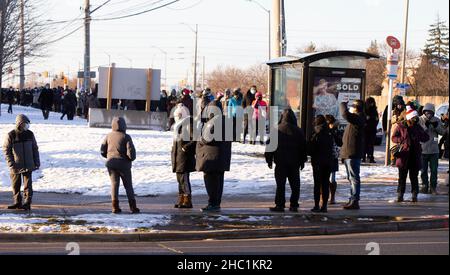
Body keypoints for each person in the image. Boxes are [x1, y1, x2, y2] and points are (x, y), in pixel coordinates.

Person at [265, 109, 307, 212]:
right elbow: (303, 148)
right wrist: (302, 161)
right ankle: (294, 204)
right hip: (294, 163)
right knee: (295, 185)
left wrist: (269, 160)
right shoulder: (298, 131)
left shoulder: (277, 129)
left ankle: (280, 204)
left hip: (280, 162)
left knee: (280, 185)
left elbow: (270, 148)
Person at [196, 99, 232, 212]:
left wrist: (199, 139)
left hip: (211, 158)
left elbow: (207, 138)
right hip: (221, 158)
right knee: (218, 183)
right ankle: (216, 203)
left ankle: (213, 204)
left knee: (211, 183)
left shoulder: (214, 121)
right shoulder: (225, 120)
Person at [101, 117, 140, 214]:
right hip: (124, 165)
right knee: (128, 186)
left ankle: (115, 207)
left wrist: (109, 156)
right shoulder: (126, 137)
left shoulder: (108, 136)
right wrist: (130, 159)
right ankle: (133, 207)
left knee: (114, 185)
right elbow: (131, 154)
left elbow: (102, 150)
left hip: (111, 163)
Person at [392, 105, 429, 202]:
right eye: (414, 117)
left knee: (414, 177)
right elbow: (394, 137)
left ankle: (414, 195)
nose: (415, 119)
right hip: (404, 155)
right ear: (409, 118)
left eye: (416, 117)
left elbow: (426, 137)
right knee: (402, 177)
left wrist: (422, 134)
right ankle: (400, 195)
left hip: (415, 155)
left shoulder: (418, 127)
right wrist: (401, 140)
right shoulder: (401, 126)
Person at [2, 114, 40, 211]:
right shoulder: (11, 135)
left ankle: (27, 203)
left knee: (28, 185)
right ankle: (17, 202)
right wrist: (11, 163)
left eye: (27, 124)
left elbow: (35, 148)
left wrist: (36, 161)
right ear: (20, 124)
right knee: (16, 184)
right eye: (25, 124)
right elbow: (6, 150)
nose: (27, 126)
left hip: (28, 164)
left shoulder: (30, 134)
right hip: (16, 165)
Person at [340, 100, 366, 210]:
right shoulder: (356, 119)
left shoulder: (359, 118)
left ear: (357, 108)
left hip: (352, 154)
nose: (351, 108)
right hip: (348, 153)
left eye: (353, 106)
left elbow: (345, 114)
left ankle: (355, 200)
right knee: (351, 178)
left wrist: (343, 104)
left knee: (354, 178)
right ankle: (352, 199)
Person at [308, 115, 334, 213]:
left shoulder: (315, 134)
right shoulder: (329, 133)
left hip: (318, 163)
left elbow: (310, 150)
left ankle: (316, 205)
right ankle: (324, 206)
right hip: (328, 162)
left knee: (317, 184)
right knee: (325, 183)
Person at [418, 103, 446, 195]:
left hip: (434, 150)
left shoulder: (437, 120)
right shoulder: (420, 119)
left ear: (433, 112)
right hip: (422, 149)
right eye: (426, 112)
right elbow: (417, 131)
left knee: (434, 170)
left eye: (430, 112)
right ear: (424, 112)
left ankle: (433, 187)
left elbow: (443, 132)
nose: (428, 114)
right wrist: (425, 126)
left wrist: (436, 126)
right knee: (423, 170)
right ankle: (424, 186)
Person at [172, 106, 196, 209]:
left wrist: (185, 147)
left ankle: (187, 200)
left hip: (184, 157)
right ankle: (181, 199)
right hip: (178, 157)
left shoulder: (188, 124)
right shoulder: (178, 126)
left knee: (184, 179)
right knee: (179, 179)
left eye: (178, 115)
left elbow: (195, 139)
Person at [325, 115, 343, 205]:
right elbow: (340, 143)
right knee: (331, 178)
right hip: (333, 157)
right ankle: (331, 197)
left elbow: (340, 143)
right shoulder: (336, 131)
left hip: (329, 157)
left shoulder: (333, 131)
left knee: (327, 178)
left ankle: (329, 197)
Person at [364, 97, 379, 163]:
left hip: (372, 129)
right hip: (366, 129)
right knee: (365, 144)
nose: (372, 104)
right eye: (371, 102)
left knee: (371, 144)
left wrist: (375, 120)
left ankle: (370, 157)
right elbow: (364, 118)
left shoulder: (374, 109)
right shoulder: (365, 109)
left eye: (373, 102)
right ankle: (364, 157)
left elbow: (377, 118)